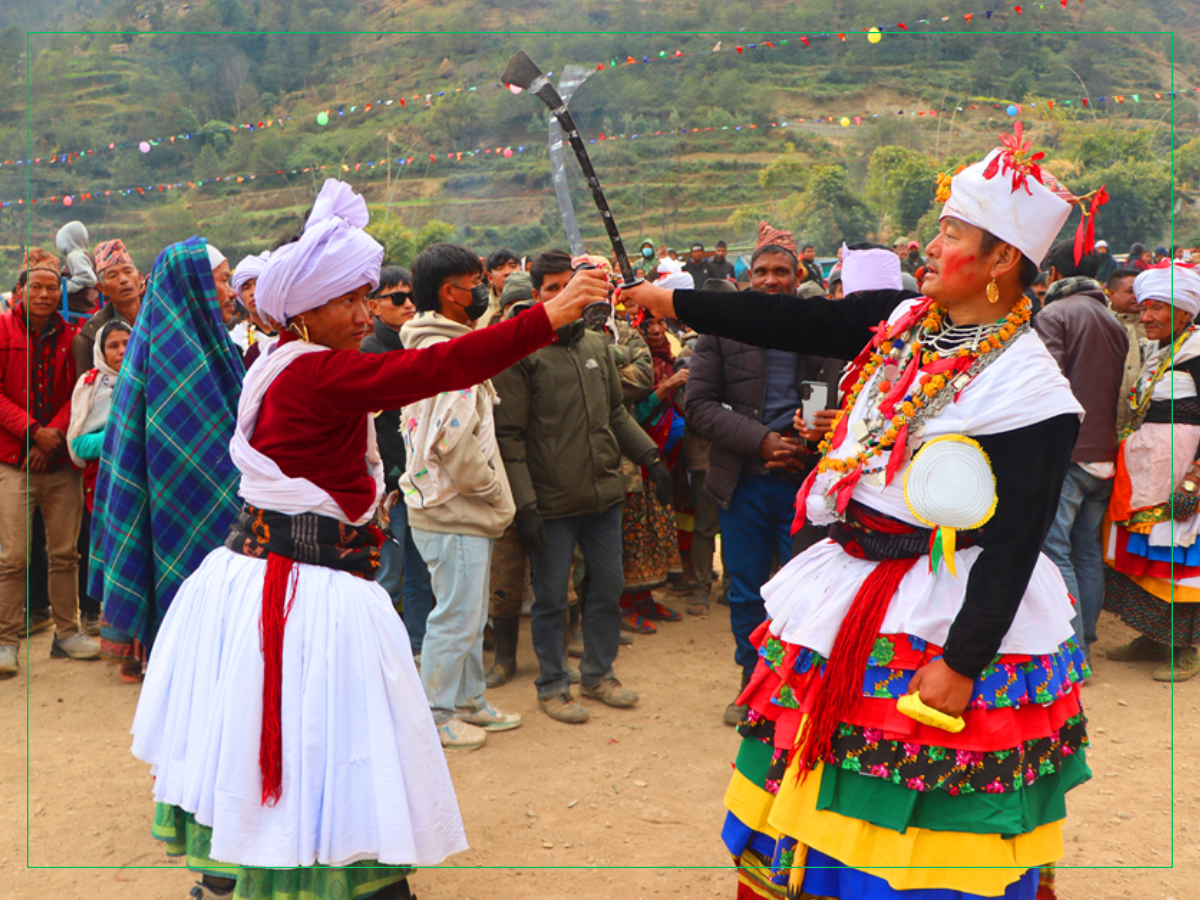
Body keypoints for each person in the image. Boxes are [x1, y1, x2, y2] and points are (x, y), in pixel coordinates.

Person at [626, 122, 1090, 900]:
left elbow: (1016, 543)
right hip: (853, 588)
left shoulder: (1032, 390)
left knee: (925, 804)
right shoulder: (904, 320)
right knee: (820, 772)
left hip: (940, 611)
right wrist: (670, 298)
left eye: (947, 233)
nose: (927, 248)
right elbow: (789, 320)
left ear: (1003, 259)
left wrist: (959, 664)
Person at [127, 180, 608, 900]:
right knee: (325, 741)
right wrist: (547, 317)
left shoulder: (282, 360)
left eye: (365, 298)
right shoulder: (314, 372)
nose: (367, 314)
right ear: (304, 309)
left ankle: (238, 878)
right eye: (349, 301)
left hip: (271, 579)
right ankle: (321, 876)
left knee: (277, 739)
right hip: (298, 592)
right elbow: (434, 368)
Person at [493, 249, 667, 725]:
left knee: (607, 588)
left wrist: (650, 458)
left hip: (603, 495)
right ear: (537, 296)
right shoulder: (520, 352)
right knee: (551, 599)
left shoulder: (595, 346)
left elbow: (614, 413)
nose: (565, 296)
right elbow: (509, 434)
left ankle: (598, 674)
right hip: (551, 503)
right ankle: (552, 685)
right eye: (554, 289)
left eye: (571, 285)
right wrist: (526, 507)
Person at [685, 221, 843, 727]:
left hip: (806, 482)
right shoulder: (721, 329)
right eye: (761, 272)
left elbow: (848, 400)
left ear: (798, 276)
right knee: (747, 585)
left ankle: (796, 685)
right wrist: (762, 441)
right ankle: (751, 682)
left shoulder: (823, 326)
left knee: (806, 588)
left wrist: (812, 438)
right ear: (746, 276)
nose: (771, 280)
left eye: (781, 271)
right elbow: (699, 405)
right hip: (745, 481)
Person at [90, 239, 244, 684]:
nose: (232, 292)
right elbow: (185, 459)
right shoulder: (171, 358)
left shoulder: (214, 347)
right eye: (223, 280)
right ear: (195, 286)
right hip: (186, 511)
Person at [400, 243, 523, 751]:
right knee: (455, 615)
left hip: (449, 508)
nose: (482, 290)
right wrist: (493, 489)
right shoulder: (449, 354)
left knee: (468, 612)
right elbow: (449, 442)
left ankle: (470, 699)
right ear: (450, 293)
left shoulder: (434, 343)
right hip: (455, 508)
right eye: (475, 282)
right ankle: (436, 712)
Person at [0, 248, 99, 678]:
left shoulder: (73, 334)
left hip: (59, 462)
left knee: (65, 554)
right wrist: (31, 432)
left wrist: (50, 436)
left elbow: (78, 391)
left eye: (51, 287)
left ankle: (67, 633)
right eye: (35, 286)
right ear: (20, 291)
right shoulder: (1, 330)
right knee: (13, 557)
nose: (43, 294)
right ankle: (5, 641)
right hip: (11, 462)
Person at [1033, 240, 1128, 660]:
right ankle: (1085, 641)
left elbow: (1044, 383)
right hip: (1104, 454)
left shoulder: (1054, 315)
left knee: (1057, 553)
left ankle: (1073, 656)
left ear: (1053, 277)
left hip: (1068, 453)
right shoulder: (1114, 322)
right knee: (1087, 551)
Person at [1105, 262, 1200, 682]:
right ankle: (1151, 636)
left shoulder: (1197, 353)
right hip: (1147, 469)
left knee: (1175, 555)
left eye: (1157, 308)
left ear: (1185, 311)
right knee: (1145, 553)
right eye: (1143, 308)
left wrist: (1196, 478)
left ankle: (1184, 650)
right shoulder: (1162, 350)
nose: (1145, 317)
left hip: (1180, 471)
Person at [361, 266, 435, 659]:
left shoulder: (417, 343)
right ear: (373, 306)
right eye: (397, 298)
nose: (408, 304)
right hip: (392, 483)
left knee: (421, 571)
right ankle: (384, 653)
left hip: (420, 477)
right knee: (388, 572)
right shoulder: (371, 351)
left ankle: (418, 645)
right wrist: (389, 477)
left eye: (411, 297)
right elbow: (381, 425)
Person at [67, 318, 132, 650]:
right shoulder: (90, 385)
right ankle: (117, 640)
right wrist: (120, 435)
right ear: (101, 351)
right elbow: (77, 446)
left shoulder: (147, 379)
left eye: (126, 344)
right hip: (105, 487)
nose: (122, 352)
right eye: (113, 346)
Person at [72, 239, 142, 379]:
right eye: (113, 276)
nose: (123, 280)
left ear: (139, 278)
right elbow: (87, 390)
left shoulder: (161, 317)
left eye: (128, 271)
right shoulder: (89, 336)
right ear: (102, 288)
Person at [1107, 267, 1145, 438]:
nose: (1136, 296)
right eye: (1130, 291)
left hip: (1143, 429)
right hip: (1107, 428)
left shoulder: (1154, 326)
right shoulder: (1100, 324)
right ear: (1111, 294)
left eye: (1140, 291)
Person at [229, 251, 279, 368]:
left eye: (258, 284)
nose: (253, 292)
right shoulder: (236, 340)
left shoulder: (293, 329)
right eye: (246, 288)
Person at [56, 221, 100, 318]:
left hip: (74, 301)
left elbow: (89, 278)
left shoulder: (75, 255)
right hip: (82, 301)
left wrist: (63, 288)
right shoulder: (84, 255)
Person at [480, 247, 521, 327]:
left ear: (521, 270)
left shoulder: (536, 303)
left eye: (512, 266)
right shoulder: (480, 311)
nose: (507, 272)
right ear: (490, 277)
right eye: (500, 268)